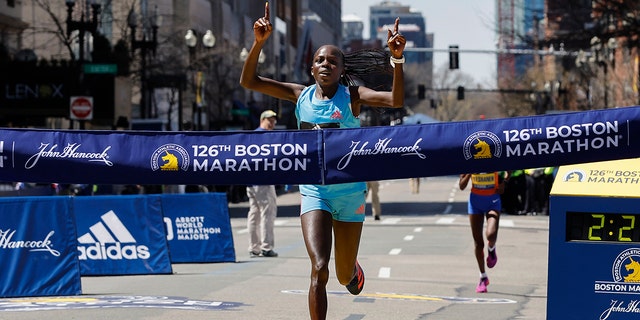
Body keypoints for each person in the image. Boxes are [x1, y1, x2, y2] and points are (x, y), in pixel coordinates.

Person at [240, 3, 405, 319]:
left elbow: (395, 101)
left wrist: (396, 59)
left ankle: (353, 269)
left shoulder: (352, 96)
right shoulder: (299, 95)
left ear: (342, 69)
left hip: (350, 194)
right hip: (314, 192)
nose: (325, 63)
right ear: (312, 69)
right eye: (319, 60)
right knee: (319, 267)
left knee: (344, 278)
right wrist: (258, 43)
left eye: (333, 60)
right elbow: (250, 81)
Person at [458, 172, 507, 293]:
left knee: (491, 234)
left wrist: (504, 182)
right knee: (478, 243)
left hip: (493, 200)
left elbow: (509, 169)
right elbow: (462, 186)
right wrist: (469, 173)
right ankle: (483, 277)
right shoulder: (469, 159)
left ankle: (492, 249)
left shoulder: (495, 156)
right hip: (475, 202)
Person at [246, 110, 279, 258]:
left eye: (273, 121)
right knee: (267, 213)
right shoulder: (264, 137)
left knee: (254, 213)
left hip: (252, 180)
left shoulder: (252, 136)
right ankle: (266, 246)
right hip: (263, 180)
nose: (272, 123)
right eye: (269, 120)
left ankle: (254, 247)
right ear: (262, 120)